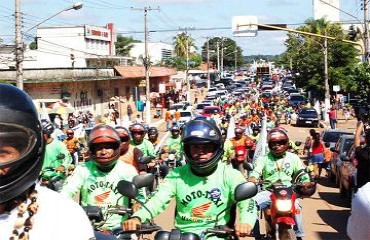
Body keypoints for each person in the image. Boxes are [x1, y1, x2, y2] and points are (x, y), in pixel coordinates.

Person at [122, 118, 257, 237]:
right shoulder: (177, 174)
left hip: (218, 235)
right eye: (195, 147)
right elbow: (158, 199)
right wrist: (138, 217)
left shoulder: (230, 175)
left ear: (216, 148)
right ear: (186, 149)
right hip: (182, 235)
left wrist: (245, 222)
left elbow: (247, 202)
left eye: (207, 146)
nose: (201, 151)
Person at [0, 84, 94, 240]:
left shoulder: (62, 217)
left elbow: (67, 157)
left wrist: (64, 167)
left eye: (3, 153)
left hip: (54, 176)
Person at [61, 124, 142, 237]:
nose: (103, 152)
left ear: (116, 148)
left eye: (108, 147)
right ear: (92, 150)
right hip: (90, 227)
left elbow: (141, 197)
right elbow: (66, 191)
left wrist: (137, 206)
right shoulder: (83, 169)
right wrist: (62, 205)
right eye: (99, 148)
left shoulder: (128, 171)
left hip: (121, 228)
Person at [248, 128, 313, 239]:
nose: (277, 146)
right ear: (269, 145)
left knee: (297, 207)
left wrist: (306, 181)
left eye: (281, 143)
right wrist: (253, 177)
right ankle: (256, 234)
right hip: (269, 191)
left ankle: (299, 235)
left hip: (288, 191)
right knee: (251, 204)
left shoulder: (293, 158)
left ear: (286, 143)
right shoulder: (264, 158)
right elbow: (256, 170)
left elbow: (301, 172)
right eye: (274, 143)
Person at [353, 120, 370, 189]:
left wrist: (361, 124)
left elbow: (356, 142)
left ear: (365, 140)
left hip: (363, 190)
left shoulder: (363, 153)